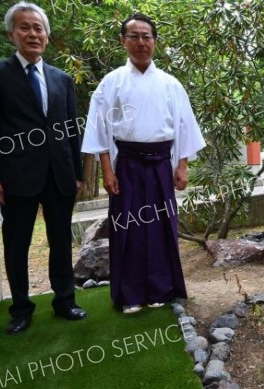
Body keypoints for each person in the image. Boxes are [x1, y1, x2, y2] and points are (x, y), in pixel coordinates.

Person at [0, 2, 87, 334]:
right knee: (17, 242)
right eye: (25, 27)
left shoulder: (62, 79)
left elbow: (71, 130)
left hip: (59, 174)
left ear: (47, 37)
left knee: (61, 239)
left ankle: (65, 300)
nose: (33, 34)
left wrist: (77, 173)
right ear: (12, 34)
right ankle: (21, 308)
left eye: (39, 28)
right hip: (16, 178)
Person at [81, 13, 205, 314]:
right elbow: (100, 130)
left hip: (162, 163)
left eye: (146, 36)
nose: (141, 42)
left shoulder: (170, 84)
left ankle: (161, 289)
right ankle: (130, 293)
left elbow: (184, 126)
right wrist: (108, 171)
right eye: (134, 36)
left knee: (162, 226)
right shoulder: (112, 82)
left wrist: (182, 166)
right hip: (127, 166)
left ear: (154, 42)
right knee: (127, 228)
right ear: (123, 41)